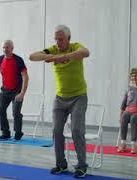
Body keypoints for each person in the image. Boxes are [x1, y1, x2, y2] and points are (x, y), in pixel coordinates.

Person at [29, 25, 90, 178]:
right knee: (56, 131)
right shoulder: (53, 49)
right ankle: (61, 164)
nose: (57, 42)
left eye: (60, 39)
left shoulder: (75, 47)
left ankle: (82, 165)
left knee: (76, 130)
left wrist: (60, 58)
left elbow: (85, 52)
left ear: (69, 39)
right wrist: (50, 56)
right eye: (55, 39)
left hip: (79, 97)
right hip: (60, 98)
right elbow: (33, 56)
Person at [0, 40, 29, 141]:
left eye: (7, 47)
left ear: (12, 48)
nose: (5, 49)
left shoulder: (18, 60)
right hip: (5, 91)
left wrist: (22, 93)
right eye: (3, 47)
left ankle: (18, 132)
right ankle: (5, 132)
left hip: (17, 91)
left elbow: (25, 77)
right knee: (0, 111)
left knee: (16, 113)